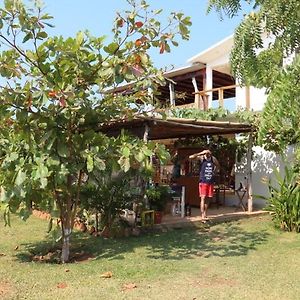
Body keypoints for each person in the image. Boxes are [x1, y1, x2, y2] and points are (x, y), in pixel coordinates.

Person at [189, 149, 220, 222]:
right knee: (203, 198)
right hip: (203, 181)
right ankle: (202, 215)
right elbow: (191, 157)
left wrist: (214, 172)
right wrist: (201, 153)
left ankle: (205, 213)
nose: (208, 154)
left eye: (209, 153)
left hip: (210, 181)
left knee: (208, 198)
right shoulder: (202, 158)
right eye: (207, 153)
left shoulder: (213, 159)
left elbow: (218, 166)